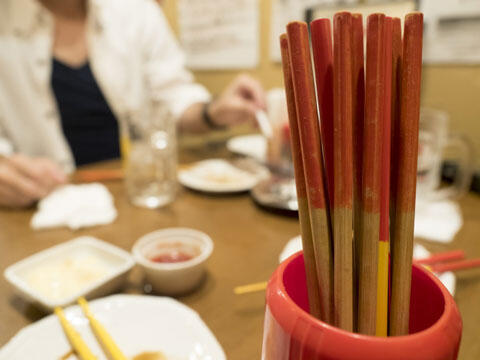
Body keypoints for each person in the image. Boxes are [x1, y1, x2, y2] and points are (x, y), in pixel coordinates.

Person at [0, 0, 266, 208]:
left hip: (140, 192)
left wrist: (214, 111)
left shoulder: (136, 10)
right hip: (39, 205)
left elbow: (174, 98)